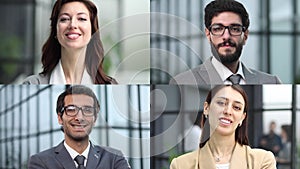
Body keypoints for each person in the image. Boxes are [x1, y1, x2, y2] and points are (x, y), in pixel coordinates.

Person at [170, 0, 281, 85]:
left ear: (245, 36)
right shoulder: (181, 83)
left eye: (235, 29)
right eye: (218, 28)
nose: (226, 36)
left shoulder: (272, 82)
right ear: (208, 34)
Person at [170, 85, 276, 169]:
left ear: (242, 118)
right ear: (206, 108)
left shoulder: (262, 161)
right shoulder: (180, 165)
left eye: (236, 107)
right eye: (221, 103)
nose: (228, 111)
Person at [28, 85, 130, 169]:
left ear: (94, 119)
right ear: (60, 118)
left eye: (87, 110)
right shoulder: (40, 162)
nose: (79, 117)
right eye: (71, 109)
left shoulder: (114, 158)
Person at [23, 0, 117, 84]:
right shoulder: (32, 83)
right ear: (55, 31)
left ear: (92, 31)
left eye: (81, 19)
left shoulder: (110, 84)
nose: (72, 25)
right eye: (64, 19)